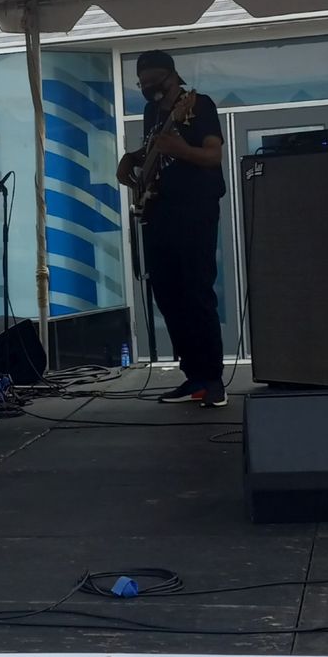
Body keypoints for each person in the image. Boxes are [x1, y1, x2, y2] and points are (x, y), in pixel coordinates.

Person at [117, 50, 227, 406]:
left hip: (193, 211)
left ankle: (212, 380)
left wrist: (180, 149)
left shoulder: (198, 105)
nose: (148, 88)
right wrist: (132, 159)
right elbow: (156, 151)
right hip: (158, 211)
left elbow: (213, 156)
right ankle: (193, 376)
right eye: (142, 83)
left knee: (196, 293)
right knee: (168, 295)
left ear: (172, 76)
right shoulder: (152, 112)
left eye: (153, 81)